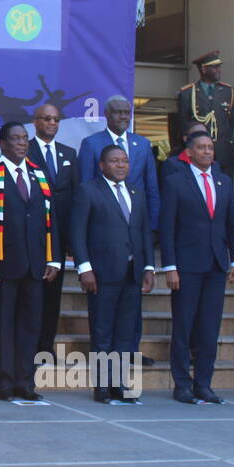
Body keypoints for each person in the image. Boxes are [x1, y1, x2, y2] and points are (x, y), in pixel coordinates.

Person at [159, 131, 234, 404]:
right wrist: (169, 265)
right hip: (186, 266)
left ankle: (204, 384)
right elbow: (167, 227)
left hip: (217, 264)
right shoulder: (174, 182)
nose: (208, 152)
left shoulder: (224, 182)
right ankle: (182, 384)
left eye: (210, 148)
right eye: (202, 148)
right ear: (189, 153)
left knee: (209, 328)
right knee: (183, 326)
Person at [70, 144, 156, 404]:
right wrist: (84, 268)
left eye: (124, 161)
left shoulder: (136, 193)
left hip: (132, 273)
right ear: (102, 165)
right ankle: (102, 386)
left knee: (125, 332)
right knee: (103, 331)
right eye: (115, 161)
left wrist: (149, 267)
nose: (121, 166)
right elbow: (77, 232)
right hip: (101, 274)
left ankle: (119, 385)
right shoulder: (88, 191)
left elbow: (143, 232)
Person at [0, 122, 59, 401]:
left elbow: (52, 220)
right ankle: (3, 382)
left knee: (30, 325)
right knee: (3, 324)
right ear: (2, 143)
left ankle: (25, 382)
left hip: (36, 262)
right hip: (3, 263)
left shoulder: (40, 174)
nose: (21, 143)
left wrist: (54, 258)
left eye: (24, 139)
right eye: (15, 139)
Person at [28, 103, 77, 360]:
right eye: (46, 119)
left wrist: (71, 243)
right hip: (33, 237)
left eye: (56, 119)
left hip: (59, 240)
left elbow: (75, 197)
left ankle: (45, 347)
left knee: (52, 298)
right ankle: (29, 345)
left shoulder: (69, 153)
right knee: (32, 296)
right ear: (35, 122)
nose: (52, 124)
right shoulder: (25, 150)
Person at [78, 95, 160, 231]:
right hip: (103, 219)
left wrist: (153, 225)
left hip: (137, 219)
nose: (123, 116)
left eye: (127, 113)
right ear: (107, 114)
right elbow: (85, 185)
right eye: (118, 112)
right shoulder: (91, 143)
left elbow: (151, 187)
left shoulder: (143, 144)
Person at [175, 50, 234, 175]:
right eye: (215, 67)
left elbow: (230, 123)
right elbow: (183, 125)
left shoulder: (228, 91)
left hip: (223, 154)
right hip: (198, 156)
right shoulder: (187, 93)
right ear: (203, 69)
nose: (219, 70)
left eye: (219, 67)